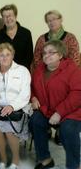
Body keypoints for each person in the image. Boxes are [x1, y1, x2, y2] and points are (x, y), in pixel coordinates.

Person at [29, 40, 81, 169]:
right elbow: (31, 88)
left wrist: (59, 113)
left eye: (51, 52)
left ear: (61, 55)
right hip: (48, 110)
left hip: (72, 111)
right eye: (44, 53)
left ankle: (74, 165)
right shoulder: (39, 70)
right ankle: (45, 158)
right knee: (35, 121)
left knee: (67, 130)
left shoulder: (72, 70)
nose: (47, 55)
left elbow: (77, 94)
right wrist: (33, 97)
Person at [0, 43, 31, 169]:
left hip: (17, 110)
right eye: (1, 55)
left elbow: (25, 94)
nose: (4, 58)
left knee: (10, 132)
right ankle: (3, 161)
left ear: (12, 56)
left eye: (7, 55)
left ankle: (15, 161)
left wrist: (12, 106)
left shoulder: (22, 71)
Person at [0, 4, 33, 70]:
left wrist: (19, 71)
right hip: (3, 72)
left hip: (22, 72)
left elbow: (29, 57)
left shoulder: (26, 33)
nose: (8, 19)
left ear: (15, 16)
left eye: (10, 15)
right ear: (2, 18)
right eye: (5, 16)